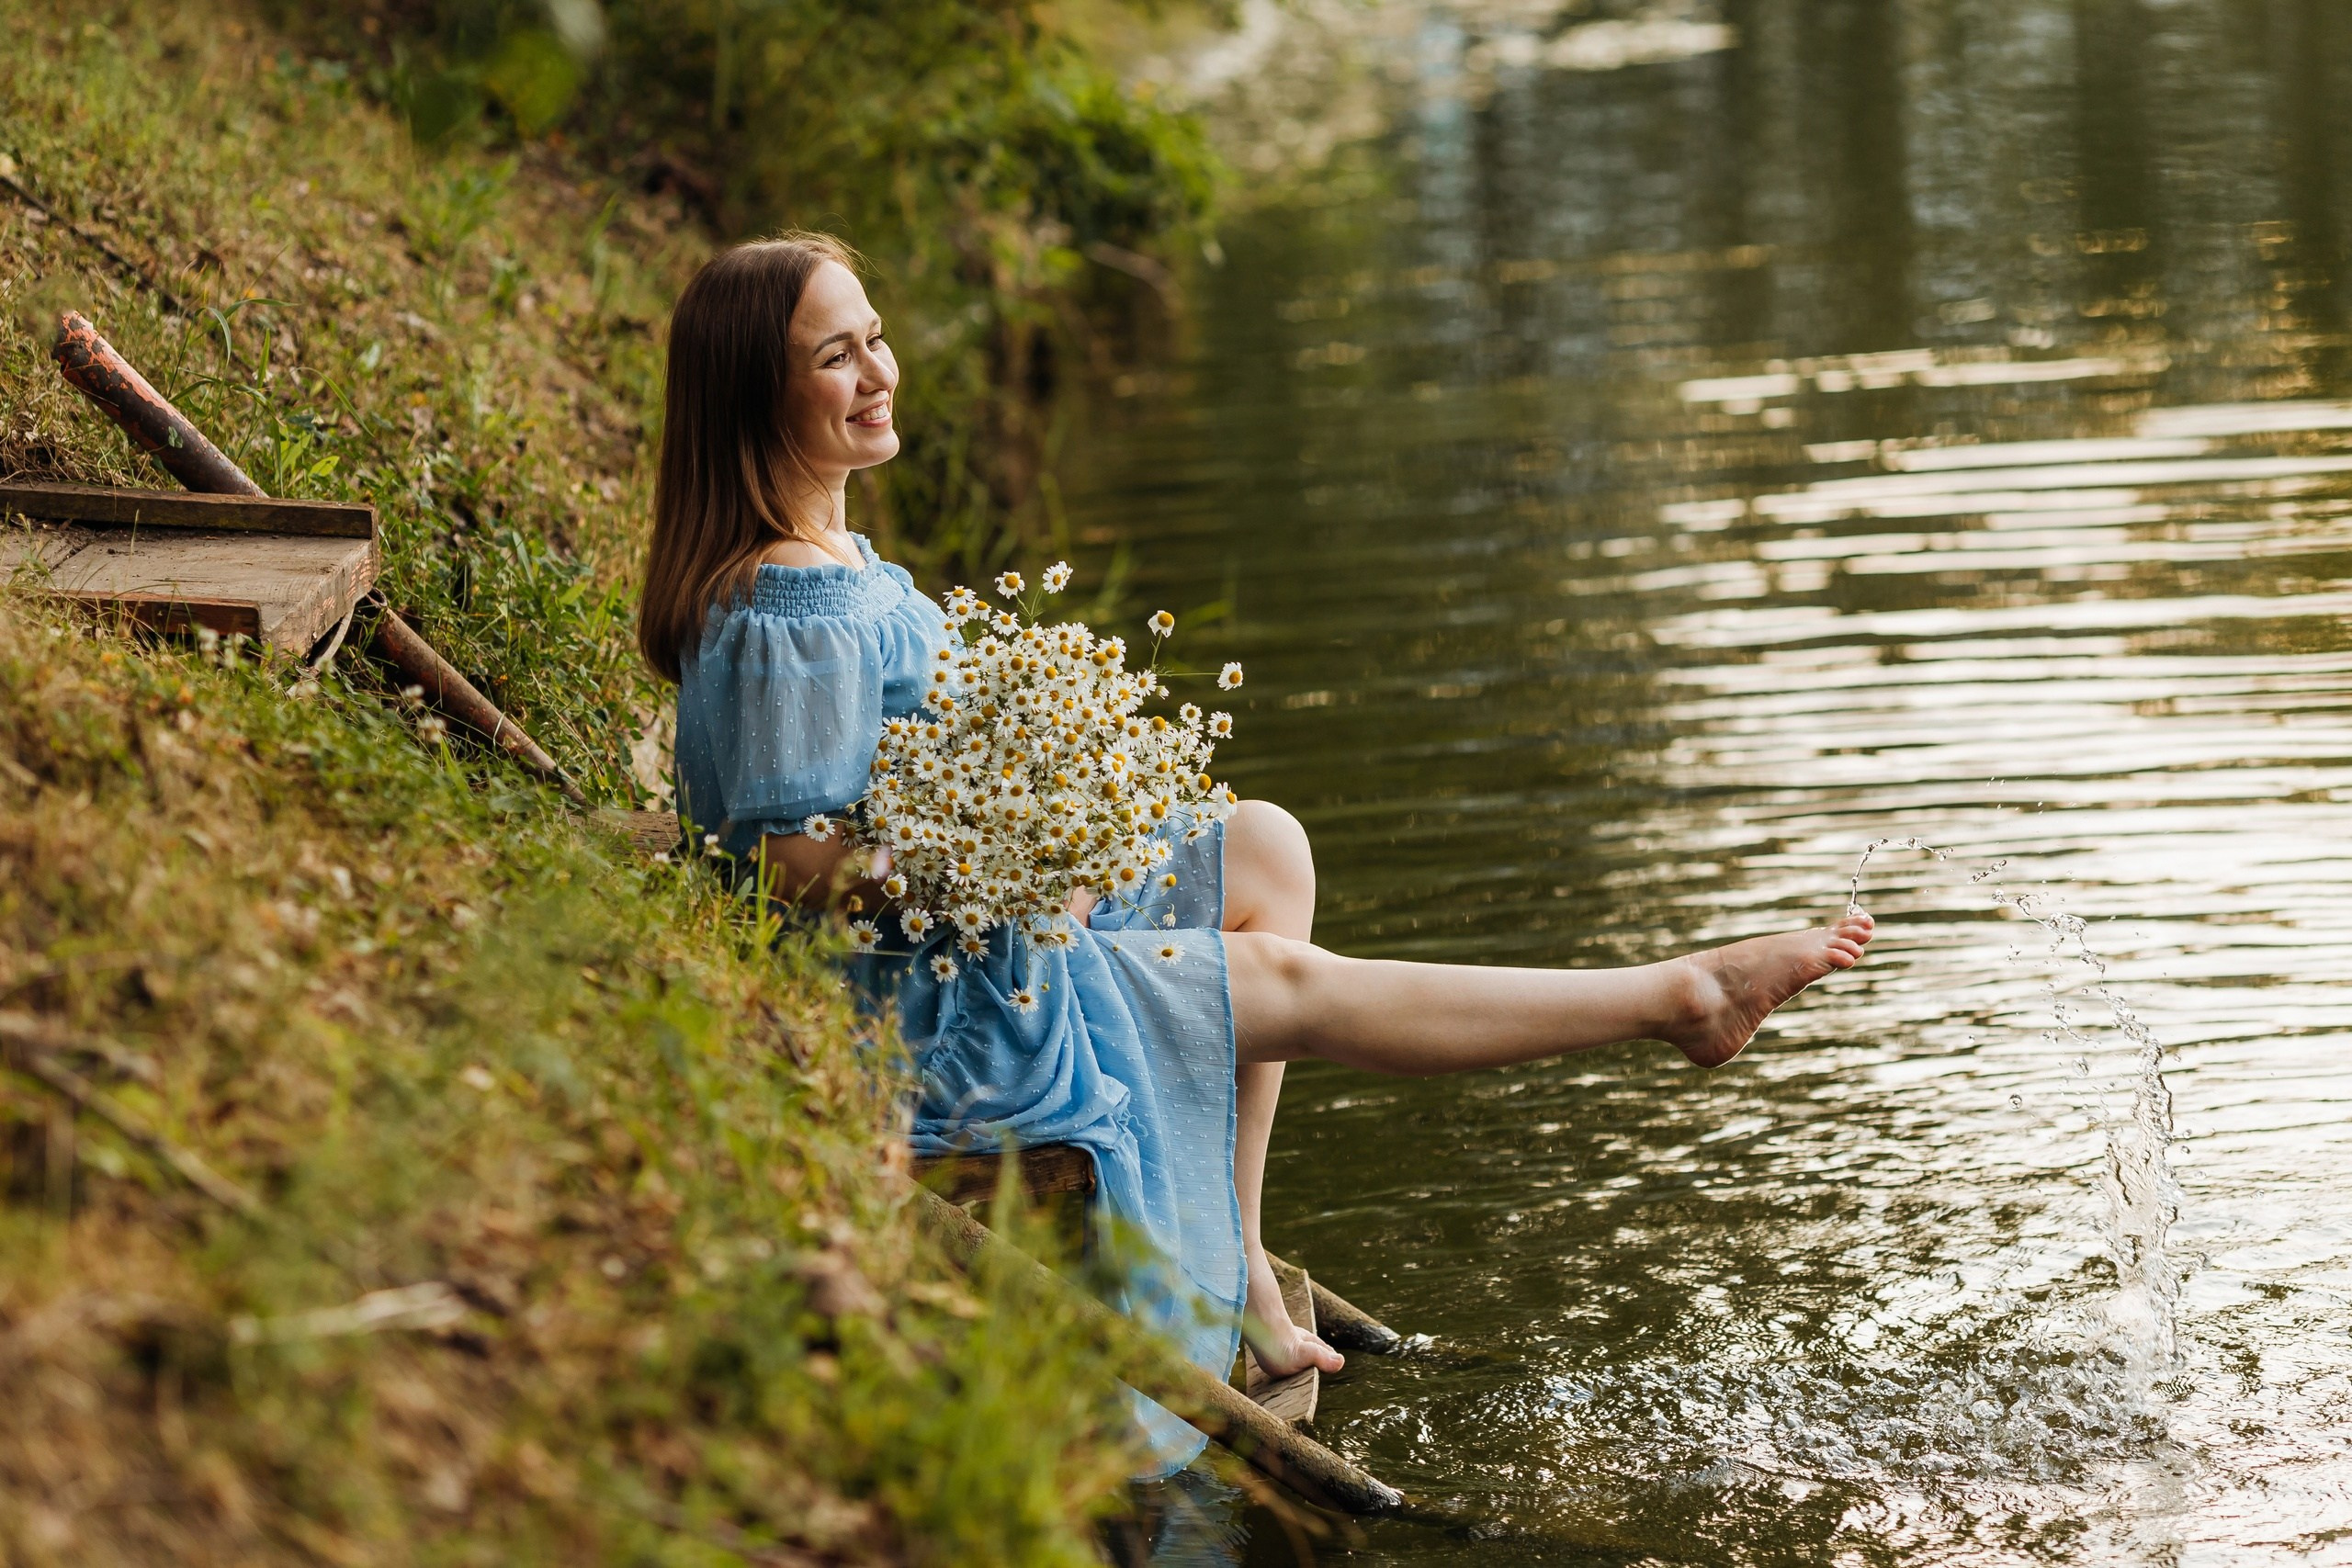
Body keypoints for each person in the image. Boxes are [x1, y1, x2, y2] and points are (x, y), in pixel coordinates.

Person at [639, 234, 1874, 1471]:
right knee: (1284, 987)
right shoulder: (782, 606)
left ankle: (1237, 1246)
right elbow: (794, 864)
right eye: (834, 355)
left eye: (875, 337)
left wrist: (1060, 814)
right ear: (757, 396)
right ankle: (1679, 999)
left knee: (1264, 851)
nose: (877, 371)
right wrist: (996, 871)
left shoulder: (841, 568)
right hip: (924, 1007)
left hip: (967, 931)